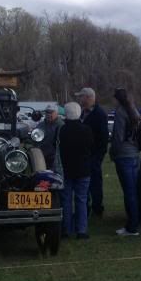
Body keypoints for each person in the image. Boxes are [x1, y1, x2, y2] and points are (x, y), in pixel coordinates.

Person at [58, 102, 94, 239]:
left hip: (67, 170)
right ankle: (82, 230)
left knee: (66, 201)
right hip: (83, 170)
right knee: (82, 200)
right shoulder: (86, 130)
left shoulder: (62, 130)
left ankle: (66, 230)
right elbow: (91, 146)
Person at [110, 88, 141, 237]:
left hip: (124, 155)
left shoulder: (121, 113)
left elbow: (117, 137)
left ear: (118, 99)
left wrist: (113, 152)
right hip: (135, 154)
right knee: (133, 191)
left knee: (129, 192)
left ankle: (132, 226)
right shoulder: (134, 111)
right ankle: (134, 221)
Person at [75, 87, 109, 216]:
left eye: (81, 97)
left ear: (88, 98)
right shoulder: (82, 113)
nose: (79, 99)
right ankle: (85, 207)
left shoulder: (99, 114)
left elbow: (104, 137)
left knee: (95, 183)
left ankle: (97, 208)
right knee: (84, 183)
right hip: (83, 155)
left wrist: (98, 156)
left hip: (94, 155)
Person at [38, 104, 64, 170]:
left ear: (56, 113)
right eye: (47, 112)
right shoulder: (40, 125)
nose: (48, 114)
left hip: (56, 158)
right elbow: (34, 138)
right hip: (42, 157)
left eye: (51, 112)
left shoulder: (62, 125)